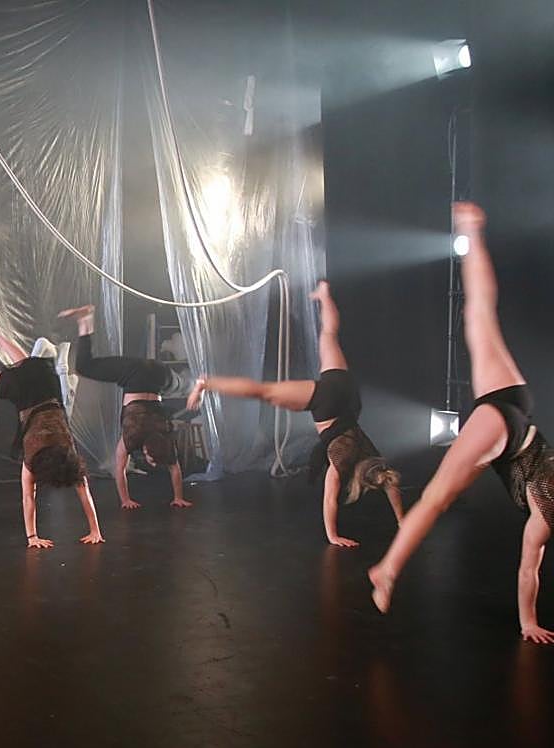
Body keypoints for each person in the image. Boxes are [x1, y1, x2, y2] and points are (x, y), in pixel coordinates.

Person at [368, 203, 554, 643]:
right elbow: (528, 567)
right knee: (435, 498)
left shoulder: (547, 515)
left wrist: (528, 622)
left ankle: (471, 228)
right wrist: (526, 622)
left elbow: (530, 569)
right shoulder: (546, 515)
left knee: (480, 313)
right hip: (506, 431)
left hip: (515, 405)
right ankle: (386, 570)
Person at [184, 281, 404, 546]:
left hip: (345, 392)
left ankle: (324, 294)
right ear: (360, 478)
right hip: (327, 405)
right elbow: (330, 500)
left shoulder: (374, 456)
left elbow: (390, 482)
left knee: (329, 335)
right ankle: (206, 383)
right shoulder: (342, 460)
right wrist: (333, 536)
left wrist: (403, 520)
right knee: (263, 392)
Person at [0, 328, 103, 547]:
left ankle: (1, 338)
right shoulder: (32, 460)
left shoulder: (68, 451)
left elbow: (83, 492)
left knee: (28, 364)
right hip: (22, 392)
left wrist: (95, 529)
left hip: (47, 381)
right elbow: (28, 498)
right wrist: (32, 537)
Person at [59, 305, 193, 510]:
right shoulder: (133, 436)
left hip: (159, 374)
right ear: (145, 449)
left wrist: (179, 497)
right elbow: (119, 468)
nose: (152, 463)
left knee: (181, 385)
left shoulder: (165, 436)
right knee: (84, 367)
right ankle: (84, 321)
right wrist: (125, 500)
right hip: (134, 375)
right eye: (151, 459)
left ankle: (196, 385)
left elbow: (175, 469)